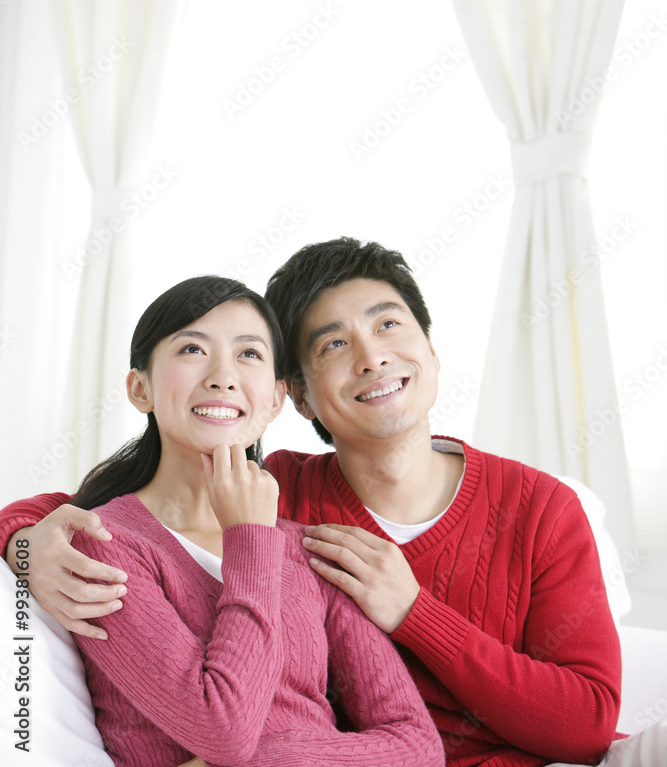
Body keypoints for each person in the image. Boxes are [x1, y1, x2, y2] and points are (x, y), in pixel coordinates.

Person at [2, 241, 665, 766]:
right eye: (335, 344)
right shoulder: (278, 500)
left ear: (430, 350)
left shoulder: (539, 508)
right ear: (295, 396)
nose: (373, 357)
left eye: (388, 326)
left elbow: (578, 728)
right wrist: (22, 541)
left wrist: (414, 614)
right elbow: (127, 514)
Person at [2, 274, 443, 767]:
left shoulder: (313, 551)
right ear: (139, 387)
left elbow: (418, 746)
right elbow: (222, 733)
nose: (222, 376)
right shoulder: (102, 546)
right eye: (192, 349)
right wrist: (251, 537)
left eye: (249, 354)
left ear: (276, 398)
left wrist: (276, 759)